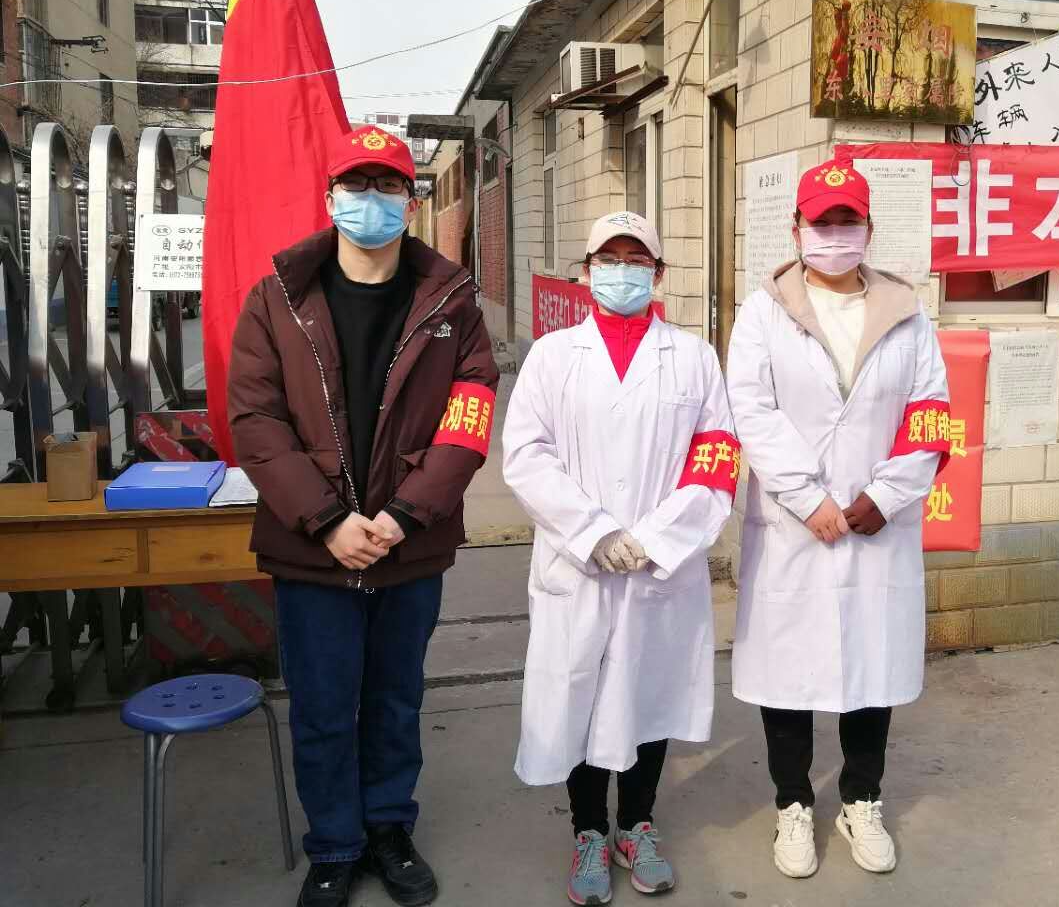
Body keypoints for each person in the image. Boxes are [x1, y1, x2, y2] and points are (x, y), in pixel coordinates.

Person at [229, 124, 499, 907]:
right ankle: (335, 846)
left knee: (395, 700)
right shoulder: (277, 298)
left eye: (388, 186)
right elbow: (255, 420)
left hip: (409, 545)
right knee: (321, 707)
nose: (370, 199)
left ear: (411, 202)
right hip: (313, 549)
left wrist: (409, 512)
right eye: (356, 184)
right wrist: (325, 520)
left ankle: (388, 829)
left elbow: (471, 410)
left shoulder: (450, 300)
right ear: (329, 197)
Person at [503, 211, 738, 906]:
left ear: (658, 274)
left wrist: (658, 537)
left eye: (637, 260)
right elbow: (526, 455)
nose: (623, 272)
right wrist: (594, 532)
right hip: (578, 563)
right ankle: (587, 831)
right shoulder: (552, 356)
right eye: (610, 259)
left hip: (659, 567)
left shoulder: (693, 357)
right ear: (586, 271)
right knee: (579, 693)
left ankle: (637, 825)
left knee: (648, 692)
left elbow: (717, 456)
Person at [726, 160, 950, 880]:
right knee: (787, 674)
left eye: (846, 221)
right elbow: (750, 409)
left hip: (877, 524)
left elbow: (930, 411)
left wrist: (886, 495)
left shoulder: (906, 311)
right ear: (796, 228)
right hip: (795, 525)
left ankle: (861, 799)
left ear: (868, 228)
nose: (833, 234)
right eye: (821, 222)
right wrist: (807, 497)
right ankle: (793, 803)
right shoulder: (764, 311)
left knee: (870, 670)